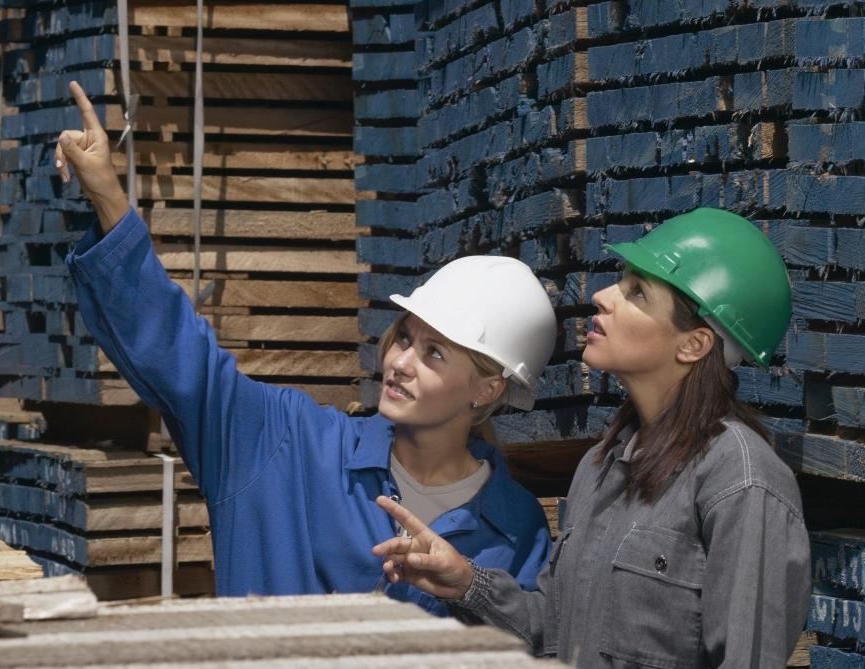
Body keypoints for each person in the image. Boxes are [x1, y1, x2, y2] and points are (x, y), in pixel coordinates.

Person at [54, 81, 556, 614]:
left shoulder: (517, 529)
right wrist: (109, 198)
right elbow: (180, 358)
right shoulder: (285, 444)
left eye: (434, 353)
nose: (399, 363)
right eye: (404, 338)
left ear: (488, 388)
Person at [373, 208, 812, 665]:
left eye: (637, 292)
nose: (603, 296)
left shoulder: (738, 477)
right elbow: (556, 634)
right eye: (620, 282)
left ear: (694, 345)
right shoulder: (601, 466)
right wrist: (467, 584)